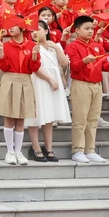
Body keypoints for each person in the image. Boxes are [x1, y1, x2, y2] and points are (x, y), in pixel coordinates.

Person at [0, 15, 40, 165]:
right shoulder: (6, 45)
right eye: (9, 25)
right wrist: (0, 53)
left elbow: (34, 68)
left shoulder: (32, 45)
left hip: (25, 80)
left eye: (14, 25)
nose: (10, 28)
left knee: (20, 119)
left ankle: (18, 151)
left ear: (22, 26)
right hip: (10, 80)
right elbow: (4, 67)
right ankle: (10, 151)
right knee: (9, 117)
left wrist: (34, 57)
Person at [65, 15, 109, 163]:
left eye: (92, 28)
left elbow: (104, 66)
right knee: (80, 119)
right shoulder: (72, 46)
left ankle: (90, 150)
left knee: (92, 120)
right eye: (87, 29)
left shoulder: (96, 45)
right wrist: (85, 60)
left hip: (96, 86)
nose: (91, 31)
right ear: (77, 30)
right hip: (81, 84)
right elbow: (74, 67)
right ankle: (77, 150)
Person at [25, 20, 70, 162]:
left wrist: (57, 49)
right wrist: (50, 79)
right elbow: (35, 67)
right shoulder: (30, 46)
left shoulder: (54, 46)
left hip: (53, 82)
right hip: (39, 81)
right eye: (32, 31)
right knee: (36, 115)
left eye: (38, 29)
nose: (34, 33)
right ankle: (36, 148)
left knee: (49, 116)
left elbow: (64, 63)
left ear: (46, 30)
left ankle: (49, 148)